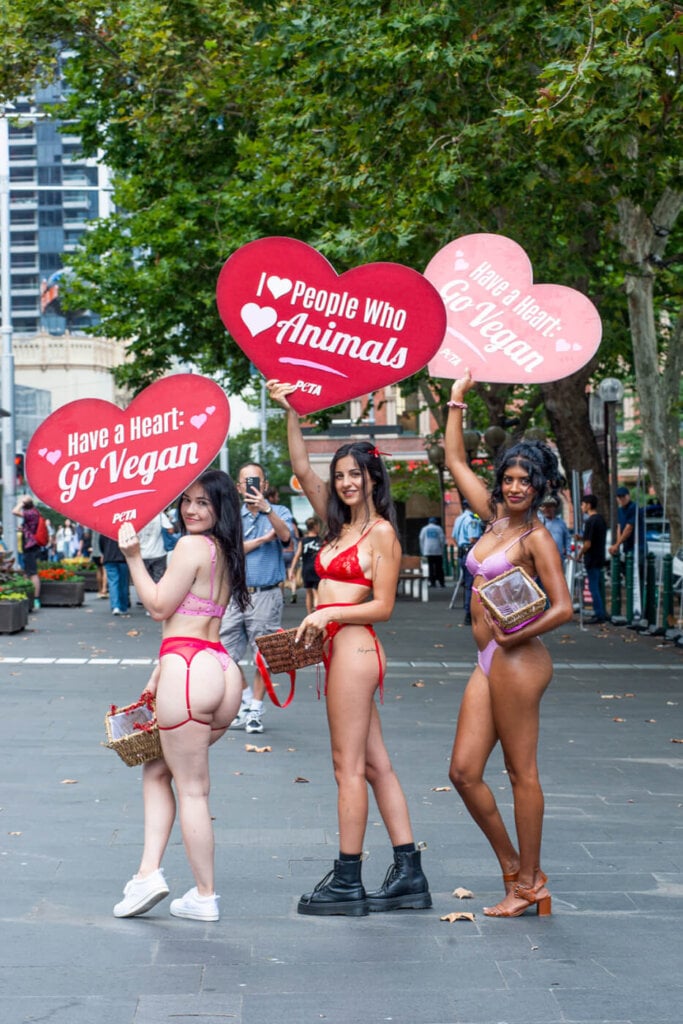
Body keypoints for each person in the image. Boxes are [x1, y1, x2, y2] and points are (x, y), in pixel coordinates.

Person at [267, 378, 431, 918]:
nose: (343, 483)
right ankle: (409, 873)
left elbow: (383, 606)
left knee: (346, 766)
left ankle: (347, 879)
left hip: (356, 647)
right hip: (339, 649)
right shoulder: (333, 525)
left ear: (371, 477)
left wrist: (325, 611)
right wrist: (291, 411)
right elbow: (301, 462)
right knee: (376, 764)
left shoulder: (381, 533)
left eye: (353, 474)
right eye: (338, 476)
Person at [443, 370, 573, 918]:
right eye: (510, 478)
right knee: (463, 772)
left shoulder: (536, 536)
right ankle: (519, 871)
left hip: (520, 658)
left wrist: (518, 631)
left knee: (522, 772)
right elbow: (453, 462)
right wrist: (456, 400)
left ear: (539, 486)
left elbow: (563, 607)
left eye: (526, 480)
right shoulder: (493, 520)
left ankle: (529, 887)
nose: (516, 486)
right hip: (487, 657)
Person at [113, 470, 249, 922]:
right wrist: (159, 671)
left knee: (192, 789)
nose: (191, 510)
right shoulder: (226, 550)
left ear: (220, 509)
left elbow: (157, 606)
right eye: (187, 501)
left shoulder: (190, 546)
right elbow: (194, 614)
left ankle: (205, 896)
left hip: (189, 673)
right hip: (220, 670)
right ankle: (146, 873)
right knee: (158, 770)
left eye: (203, 503)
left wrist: (132, 556)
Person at [220, 462, 296, 735]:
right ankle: (244, 699)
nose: (250, 485)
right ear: (239, 487)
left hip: (266, 594)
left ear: (264, 485)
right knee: (222, 653)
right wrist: (264, 539)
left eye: (256, 480)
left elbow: (287, 537)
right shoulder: (231, 515)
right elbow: (230, 550)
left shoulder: (280, 511)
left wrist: (267, 510)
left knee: (263, 655)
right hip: (235, 593)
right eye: (245, 481)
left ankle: (255, 709)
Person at [452, 499, 483, 625]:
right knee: (472, 585)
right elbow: (472, 539)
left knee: (467, 585)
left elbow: (454, 536)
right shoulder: (472, 520)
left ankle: (468, 612)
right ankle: (469, 613)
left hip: (462, 553)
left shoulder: (459, 519)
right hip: (470, 552)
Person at [578, 494, 608, 624]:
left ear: (588, 505)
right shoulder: (601, 519)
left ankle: (599, 613)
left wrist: (579, 554)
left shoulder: (590, 521)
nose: (581, 507)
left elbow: (588, 543)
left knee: (593, 586)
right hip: (600, 556)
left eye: (583, 504)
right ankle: (601, 611)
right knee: (598, 584)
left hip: (591, 558)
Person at [609, 486, 646, 581]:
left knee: (636, 576)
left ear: (628, 496)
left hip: (638, 547)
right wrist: (617, 545)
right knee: (628, 575)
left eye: (623, 496)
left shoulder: (634, 507)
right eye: (619, 497)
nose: (621, 499)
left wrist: (617, 545)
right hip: (627, 548)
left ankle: (640, 595)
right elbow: (619, 528)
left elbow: (628, 529)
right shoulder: (620, 510)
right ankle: (632, 595)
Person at [12, 496, 41, 609]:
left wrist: (20, 503)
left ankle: (36, 599)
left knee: (32, 573)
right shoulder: (33, 512)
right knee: (28, 572)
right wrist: (23, 529)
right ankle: (30, 597)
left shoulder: (31, 513)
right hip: (30, 545)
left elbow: (14, 511)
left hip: (30, 546)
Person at [291, 516, 324, 614]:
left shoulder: (303, 541)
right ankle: (317, 612)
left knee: (308, 593)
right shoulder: (321, 540)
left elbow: (297, 556)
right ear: (315, 526)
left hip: (306, 569)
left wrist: (292, 569)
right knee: (317, 592)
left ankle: (309, 614)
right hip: (317, 568)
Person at [100, 534, 131, 615]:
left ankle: (115, 606)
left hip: (109, 557)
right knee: (123, 583)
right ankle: (123, 607)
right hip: (123, 558)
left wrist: (105, 552)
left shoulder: (105, 529)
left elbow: (101, 543)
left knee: (113, 582)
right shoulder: (124, 529)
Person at [539, 496, 572, 568]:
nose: (547, 509)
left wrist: (568, 553)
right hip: (543, 558)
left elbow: (567, 538)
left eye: (550, 506)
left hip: (559, 558)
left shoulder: (561, 523)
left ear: (554, 508)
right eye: (545, 506)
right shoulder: (539, 522)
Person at [419, 516, 446, 588]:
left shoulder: (424, 529)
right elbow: (442, 540)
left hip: (427, 551)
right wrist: (442, 549)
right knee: (439, 568)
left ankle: (432, 582)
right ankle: (441, 582)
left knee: (430, 568)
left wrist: (423, 550)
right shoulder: (439, 528)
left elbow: (421, 539)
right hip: (437, 551)